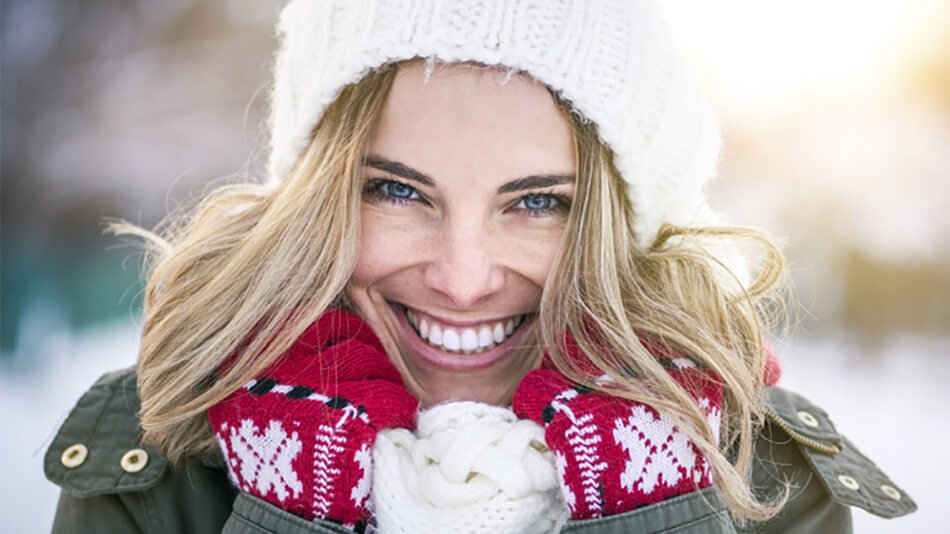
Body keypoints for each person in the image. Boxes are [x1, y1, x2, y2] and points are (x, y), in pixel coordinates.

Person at [44, 1, 916, 533]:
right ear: (318, 200)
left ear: (622, 222)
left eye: (538, 202)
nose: (463, 280)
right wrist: (290, 512)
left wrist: (654, 511)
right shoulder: (163, 451)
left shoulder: (759, 473)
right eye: (396, 191)